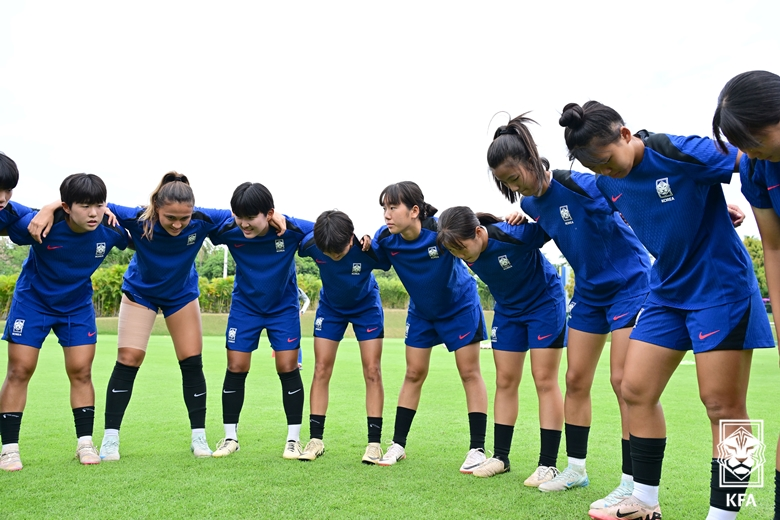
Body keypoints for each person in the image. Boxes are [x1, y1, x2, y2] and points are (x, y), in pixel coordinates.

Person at [560, 101, 774, 520]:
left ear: (625, 135)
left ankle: (726, 514)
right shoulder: (607, 185)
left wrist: (727, 203)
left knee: (724, 407)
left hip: (720, 288)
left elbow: (753, 157)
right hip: (665, 291)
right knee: (634, 388)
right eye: (597, 170)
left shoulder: (677, 151)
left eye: (607, 162)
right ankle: (643, 499)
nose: (606, 174)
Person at [487, 115, 652, 500]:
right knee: (575, 380)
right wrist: (514, 222)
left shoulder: (577, 182)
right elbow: (543, 233)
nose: (514, 187)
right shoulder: (530, 202)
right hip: (590, 293)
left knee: (622, 382)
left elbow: (630, 197)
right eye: (506, 184)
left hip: (630, 283)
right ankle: (575, 469)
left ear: (531, 159)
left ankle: (631, 482)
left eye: (515, 177)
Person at [98, 171, 233, 461]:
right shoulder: (136, 218)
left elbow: (246, 213)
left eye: (183, 218)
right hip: (140, 292)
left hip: (181, 294)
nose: (177, 224)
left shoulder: (203, 220)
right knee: (129, 359)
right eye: (170, 217)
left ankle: (199, 437)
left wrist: (277, 218)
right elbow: (91, 203)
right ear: (156, 208)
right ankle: (110, 438)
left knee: (191, 361)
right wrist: (49, 209)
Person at [0, 173, 127, 471]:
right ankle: (9, 449)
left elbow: (148, 221)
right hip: (33, 302)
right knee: (20, 370)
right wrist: (47, 208)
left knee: (81, 370)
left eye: (98, 204)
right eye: (85, 206)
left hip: (76, 306)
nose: (93, 213)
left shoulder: (112, 229)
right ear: (67, 207)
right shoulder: (40, 224)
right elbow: (8, 210)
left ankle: (85, 442)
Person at [437, 206, 566, 481]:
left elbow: (551, 224)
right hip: (508, 311)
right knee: (505, 380)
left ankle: (548, 464)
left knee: (544, 379)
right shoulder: (464, 249)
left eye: (462, 249)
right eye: (454, 252)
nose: (461, 256)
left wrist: (530, 217)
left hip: (544, 305)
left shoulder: (512, 234)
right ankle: (500, 457)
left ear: (479, 232)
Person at [372, 181, 489, 473]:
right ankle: (398, 444)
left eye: (392, 207)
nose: (386, 214)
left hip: (459, 306)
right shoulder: (386, 240)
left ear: (414, 210)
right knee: (413, 372)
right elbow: (364, 255)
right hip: (422, 312)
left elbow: (474, 228)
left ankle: (477, 448)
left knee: (469, 372)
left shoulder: (439, 230)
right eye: (383, 208)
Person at [712, 69, 780, 520]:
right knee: (632, 385)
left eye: (756, 138)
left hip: (724, 296)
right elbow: (773, 245)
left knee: (726, 404)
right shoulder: (757, 167)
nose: (749, 152)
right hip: (676, 297)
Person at [208, 182, 313, 460]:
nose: (243, 223)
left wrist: (285, 220)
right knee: (236, 366)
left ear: (268, 213)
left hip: (282, 308)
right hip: (246, 308)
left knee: (287, 366)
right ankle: (230, 437)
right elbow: (192, 212)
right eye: (238, 216)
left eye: (250, 217)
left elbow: (322, 227)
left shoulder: (288, 231)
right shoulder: (232, 228)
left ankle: (293, 440)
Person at [297, 210, 387, 464]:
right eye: (328, 254)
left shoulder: (366, 250)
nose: (334, 256)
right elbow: (292, 227)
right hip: (331, 308)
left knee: (372, 370)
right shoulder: (313, 245)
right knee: (321, 369)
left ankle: (373, 444)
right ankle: (315, 440)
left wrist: (373, 238)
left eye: (339, 252)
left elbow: (387, 253)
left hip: (366, 307)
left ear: (351, 239)